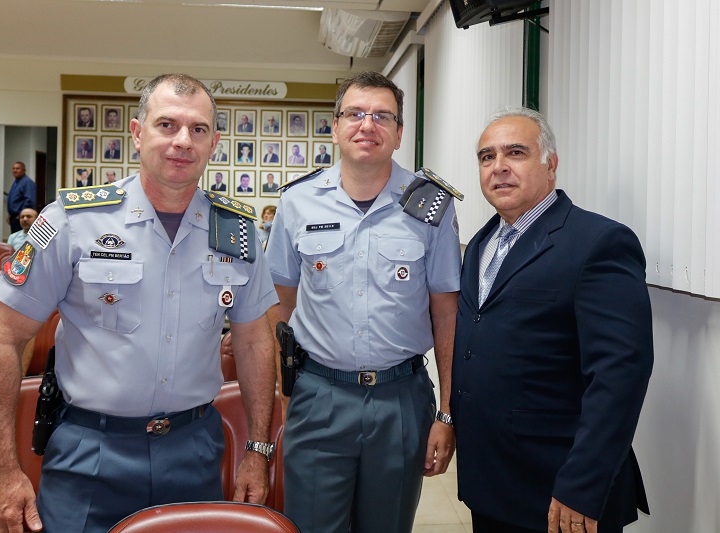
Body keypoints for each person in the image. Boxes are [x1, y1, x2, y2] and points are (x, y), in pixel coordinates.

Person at [0, 73, 278, 533]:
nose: (183, 141)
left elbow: (255, 343)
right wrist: (0, 469)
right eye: (167, 125)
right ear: (138, 134)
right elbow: (2, 339)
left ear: (214, 143)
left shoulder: (237, 234)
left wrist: (257, 451)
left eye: (198, 129)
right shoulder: (71, 222)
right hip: (90, 452)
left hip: (193, 450)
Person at [265, 71, 461, 533]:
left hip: (401, 398)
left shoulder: (432, 207)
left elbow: (447, 313)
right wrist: (286, 388)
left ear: (398, 133)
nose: (366, 125)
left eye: (381, 116)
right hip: (319, 395)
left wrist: (447, 413)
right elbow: (279, 306)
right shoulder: (297, 203)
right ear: (335, 127)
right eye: (354, 113)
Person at [453, 106, 653, 533]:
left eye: (516, 153)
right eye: (487, 157)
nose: (499, 167)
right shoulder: (482, 244)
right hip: (490, 483)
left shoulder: (598, 243)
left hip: (559, 492)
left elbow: (620, 374)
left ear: (551, 164)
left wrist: (583, 484)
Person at [6, 161, 37, 233]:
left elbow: (30, 200)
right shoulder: (17, 182)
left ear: (24, 170)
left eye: (17, 168)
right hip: (14, 217)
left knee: (22, 241)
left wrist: (21, 215)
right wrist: (10, 215)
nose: (15, 170)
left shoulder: (27, 182)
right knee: (16, 239)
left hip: (22, 218)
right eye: (13, 168)